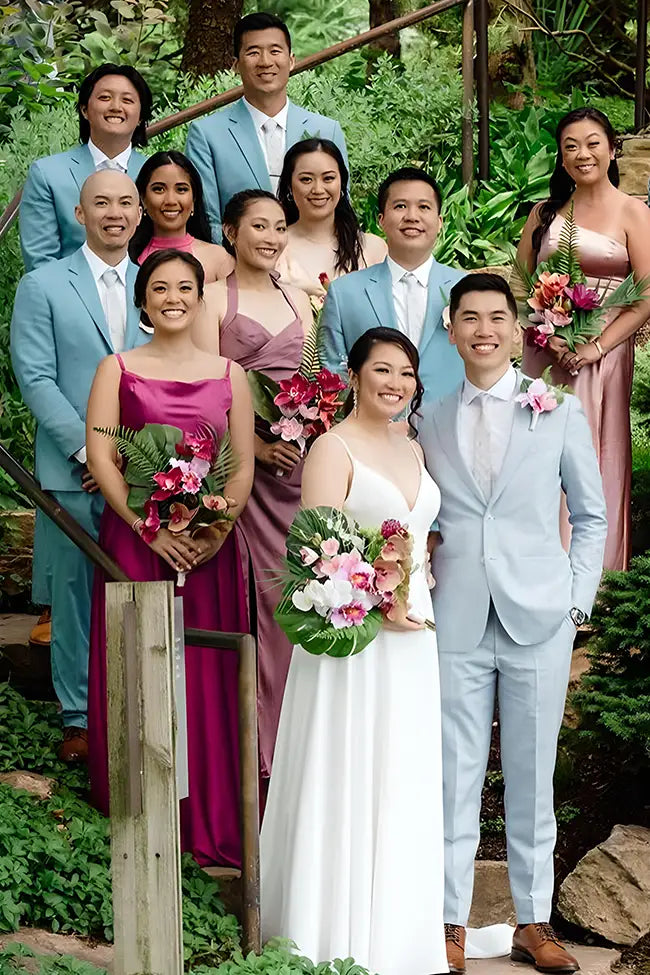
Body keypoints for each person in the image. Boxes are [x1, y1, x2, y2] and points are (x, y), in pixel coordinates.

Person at [419, 274, 607, 975]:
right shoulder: (428, 417)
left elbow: (591, 516)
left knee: (533, 773)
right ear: (452, 327)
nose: (484, 329)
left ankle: (533, 919)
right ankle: (448, 921)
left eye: (497, 317)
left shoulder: (556, 409)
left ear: (517, 325)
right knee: (453, 775)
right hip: (456, 618)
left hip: (540, 615)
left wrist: (576, 602)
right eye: (470, 318)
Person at [261, 327, 448, 975]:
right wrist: (379, 597)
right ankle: (330, 929)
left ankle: (398, 934)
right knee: (348, 762)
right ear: (355, 373)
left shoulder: (415, 449)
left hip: (414, 638)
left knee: (403, 769)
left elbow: (422, 538)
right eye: (382, 369)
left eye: (406, 373)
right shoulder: (330, 447)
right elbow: (316, 553)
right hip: (355, 637)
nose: (395, 383)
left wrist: (411, 595)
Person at [85, 250, 254, 867]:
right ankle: (139, 817)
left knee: (206, 674)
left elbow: (241, 469)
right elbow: (103, 457)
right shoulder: (118, 368)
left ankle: (206, 817)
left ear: (201, 297)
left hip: (208, 547)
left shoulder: (229, 374)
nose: (174, 297)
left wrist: (214, 531)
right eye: (160, 287)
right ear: (144, 299)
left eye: (186, 286)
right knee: (139, 668)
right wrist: (144, 526)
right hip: (137, 541)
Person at [11, 170, 148, 762]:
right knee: (73, 596)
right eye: (101, 203)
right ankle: (78, 717)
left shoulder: (161, 284)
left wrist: (140, 459)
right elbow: (35, 376)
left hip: (147, 475)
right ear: (78, 213)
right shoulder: (42, 285)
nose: (114, 212)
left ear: (140, 214)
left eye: (125, 202)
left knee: (141, 591)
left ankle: (139, 707)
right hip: (73, 471)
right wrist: (90, 451)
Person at [198, 189, 312, 779]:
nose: (270, 236)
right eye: (258, 226)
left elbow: (315, 379)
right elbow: (196, 393)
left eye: (278, 226)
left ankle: (299, 744)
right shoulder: (213, 299)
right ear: (230, 233)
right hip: (244, 474)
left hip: (297, 473)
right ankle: (260, 751)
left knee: (299, 597)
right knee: (257, 603)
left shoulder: (303, 299)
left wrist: (308, 430)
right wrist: (254, 448)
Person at [517, 107, 650, 571]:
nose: (582, 153)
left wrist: (594, 346)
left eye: (593, 142)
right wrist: (545, 330)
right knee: (540, 449)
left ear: (613, 149)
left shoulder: (634, 211)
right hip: (547, 351)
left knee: (597, 451)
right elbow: (523, 282)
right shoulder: (545, 213)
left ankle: (593, 575)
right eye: (570, 145)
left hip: (604, 353)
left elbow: (646, 296)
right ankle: (539, 567)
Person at [185, 11, 348, 243]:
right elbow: (208, 218)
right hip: (238, 267)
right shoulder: (206, 134)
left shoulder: (326, 130)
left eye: (275, 51)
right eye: (253, 52)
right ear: (235, 65)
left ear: (291, 60)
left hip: (316, 266)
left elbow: (342, 207)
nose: (265, 62)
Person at [321, 167, 465, 403]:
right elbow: (333, 372)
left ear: (439, 222)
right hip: (373, 433)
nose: (412, 216)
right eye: (400, 206)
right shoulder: (344, 293)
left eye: (424, 207)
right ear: (381, 220)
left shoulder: (466, 289)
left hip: (452, 427)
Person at [19, 63, 152, 272]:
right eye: (104, 98)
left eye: (127, 100)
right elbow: (41, 263)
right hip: (71, 298)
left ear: (141, 117)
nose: (116, 106)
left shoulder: (155, 174)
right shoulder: (48, 174)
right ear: (85, 110)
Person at [276, 137, 386, 298]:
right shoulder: (274, 247)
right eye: (306, 179)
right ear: (289, 186)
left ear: (342, 183)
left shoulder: (372, 248)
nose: (318, 189)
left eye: (328, 178)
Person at [129, 150, 234, 283]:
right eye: (159, 189)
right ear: (143, 199)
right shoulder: (126, 261)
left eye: (181, 189)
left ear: (194, 199)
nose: (171, 200)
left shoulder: (219, 260)